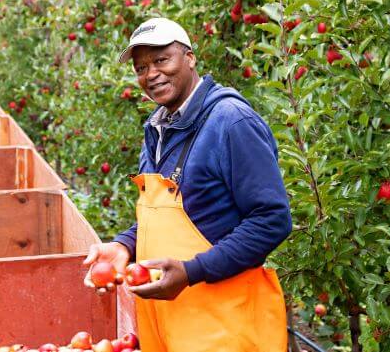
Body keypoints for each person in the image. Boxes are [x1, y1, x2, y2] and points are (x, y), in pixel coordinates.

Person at [84, 17, 292, 352]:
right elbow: (175, 215)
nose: (151, 74)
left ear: (190, 57)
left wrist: (193, 271)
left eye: (161, 60)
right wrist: (124, 245)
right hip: (172, 322)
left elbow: (272, 220)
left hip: (224, 324)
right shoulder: (158, 128)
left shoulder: (231, 122)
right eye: (141, 68)